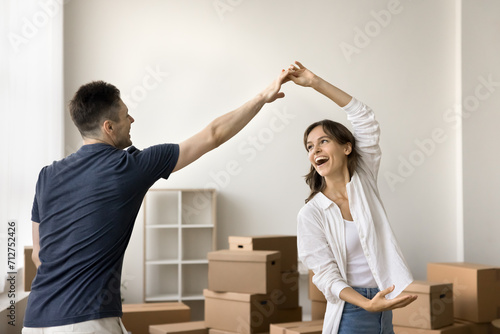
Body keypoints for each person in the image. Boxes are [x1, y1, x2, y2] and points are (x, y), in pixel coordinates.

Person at [23, 68, 291, 333]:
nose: (132, 119)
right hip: (86, 322)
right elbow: (213, 135)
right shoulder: (129, 166)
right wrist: (262, 97)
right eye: (125, 114)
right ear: (109, 127)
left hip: (35, 320)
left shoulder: (47, 176)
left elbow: (39, 254)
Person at [289, 61, 417, 333]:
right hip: (351, 313)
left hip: (385, 304)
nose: (315, 150)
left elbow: (365, 118)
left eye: (323, 141)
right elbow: (325, 276)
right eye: (310, 146)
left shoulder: (364, 181)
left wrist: (315, 82)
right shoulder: (312, 214)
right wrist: (367, 304)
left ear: (347, 147)